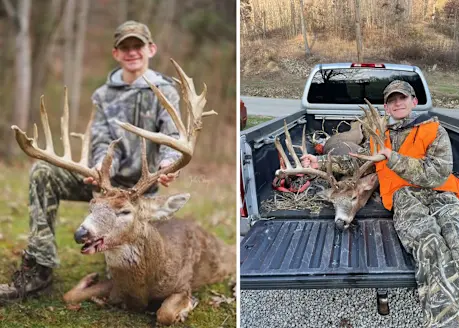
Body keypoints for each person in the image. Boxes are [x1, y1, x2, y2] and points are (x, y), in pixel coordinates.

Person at [0, 20, 182, 302]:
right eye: (125, 47)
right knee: (43, 173)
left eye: (138, 46)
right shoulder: (104, 95)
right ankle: (40, 265)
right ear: (116, 53)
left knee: (137, 274)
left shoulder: (165, 92)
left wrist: (167, 166)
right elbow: (99, 139)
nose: (132, 52)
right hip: (106, 185)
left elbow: (173, 136)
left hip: (140, 193)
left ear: (151, 49)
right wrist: (99, 166)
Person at [302, 80, 459, 327]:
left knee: (456, 236)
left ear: (413, 102)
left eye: (403, 98)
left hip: (442, 193)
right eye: (392, 100)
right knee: (429, 246)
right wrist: (319, 163)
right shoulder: (379, 136)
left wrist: (392, 158)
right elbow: (358, 163)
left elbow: (439, 172)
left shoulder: (433, 130)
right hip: (404, 198)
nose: (398, 103)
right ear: (386, 107)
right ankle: (446, 320)